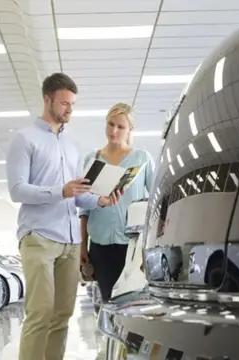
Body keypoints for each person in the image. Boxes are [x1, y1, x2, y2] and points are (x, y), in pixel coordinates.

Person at [5, 73, 121, 360]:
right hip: (39, 236)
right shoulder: (24, 139)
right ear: (47, 100)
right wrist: (61, 191)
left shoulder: (72, 145)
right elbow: (17, 190)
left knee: (61, 316)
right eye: (64, 103)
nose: (69, 109)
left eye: (73, 104)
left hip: (69, 242)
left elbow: (77, 194)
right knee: (40, 313)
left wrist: (102, 200)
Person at [79, 102, 155, 304]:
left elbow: (156, 201)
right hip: (100, 245)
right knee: (109, 302)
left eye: (121, 126)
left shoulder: (142, 158)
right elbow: (84, 208)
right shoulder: (92, 159)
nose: (114, 130)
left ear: (130, 129)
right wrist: (82, 247)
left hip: (132, 245)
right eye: (111, 124)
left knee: (134, 303)